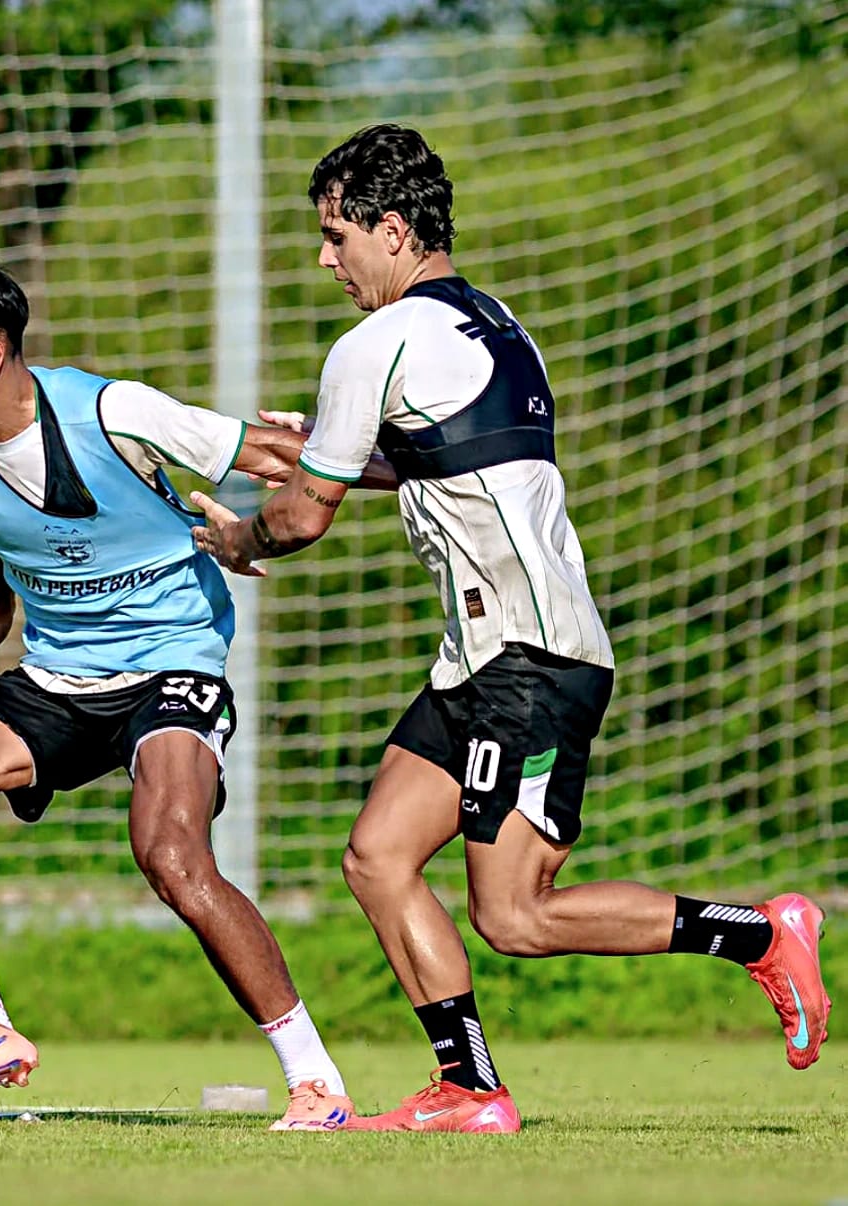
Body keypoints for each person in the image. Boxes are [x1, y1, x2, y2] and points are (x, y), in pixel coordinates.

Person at [191, 123, 831, 1133]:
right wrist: (320, 451)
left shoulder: (375, 341)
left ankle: (754, 934)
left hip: (528, 662)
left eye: (333, 235)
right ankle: (467, 1088)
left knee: (514, 914)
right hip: (485, 660)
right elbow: (437, 463)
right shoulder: (492, 321)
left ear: (392, 230)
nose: (324, 258)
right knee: (376, 857)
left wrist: (244, 538)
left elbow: (305, 517)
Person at [0, 252, 355, 1131]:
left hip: (173, 664)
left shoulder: (112, 410)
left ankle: (315, 1080)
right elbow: (9, 521)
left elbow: (280, 455)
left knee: (171, 855)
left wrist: (421, 465)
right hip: (57, 678)